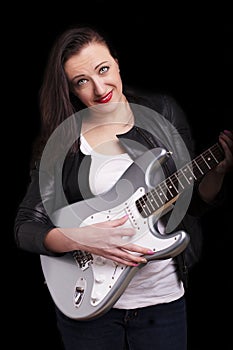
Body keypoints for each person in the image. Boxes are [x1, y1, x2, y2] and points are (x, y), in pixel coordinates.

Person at [14, 24, 233, 350]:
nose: (99, 87)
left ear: (117, 62)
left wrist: (215, 175)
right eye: (82, 82)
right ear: (72, 91)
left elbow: (188, 205)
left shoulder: (162, 112)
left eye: (103, 70)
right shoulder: (62, 144)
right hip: (90, 305)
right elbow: (25, 228)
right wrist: (81, 238)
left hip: (161, 302)